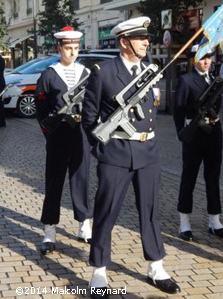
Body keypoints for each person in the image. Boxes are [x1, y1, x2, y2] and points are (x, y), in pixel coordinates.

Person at [82, 17, 180, 296]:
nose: (146, 43)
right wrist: (102, 150)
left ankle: (156, 266)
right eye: (140, 39)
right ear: (125, 42)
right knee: (106, 212)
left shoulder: (149, 70)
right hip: (116, 152)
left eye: (146, 38)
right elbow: (89, 119)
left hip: (147, 151)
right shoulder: (104, 72)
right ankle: (99, 270)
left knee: (150, 211)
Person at [35, 26, 92, 255]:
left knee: (81, 179)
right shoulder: (49, 74)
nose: (72, 53)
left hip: (80, 135)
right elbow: (41, 106)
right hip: (58, 134)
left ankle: (84, 224)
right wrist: (48, 132)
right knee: (54, 182)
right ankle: (49, 230)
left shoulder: (85, 73)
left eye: (76, 48)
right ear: (59, 48)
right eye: (68, 48)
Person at [173, 45, 223, 242]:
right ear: (193, 60)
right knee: (188, 178)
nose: (206, 62)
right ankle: (184, 222)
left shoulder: (215, 79)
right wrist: (182, 133)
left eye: (209, 58)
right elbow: (178, 109)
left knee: (213, 178)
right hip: (194, 136)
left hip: (213, 134)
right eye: (202, 58)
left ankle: (215, 221)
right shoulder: (186, 80)